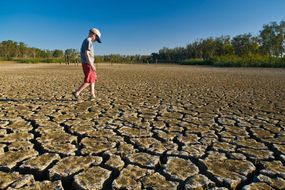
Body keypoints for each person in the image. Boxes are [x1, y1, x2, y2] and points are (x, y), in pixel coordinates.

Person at [72, 28, 102, 101]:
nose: (95, 41)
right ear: (93, 35)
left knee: (93, 79)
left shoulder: (87, 41)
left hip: (88, 63)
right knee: (88, 80)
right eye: (96, 38)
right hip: (87, 63)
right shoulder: (88, 41)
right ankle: (77, 92)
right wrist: (91, 65)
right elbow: (87, 54)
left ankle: (92, 95)